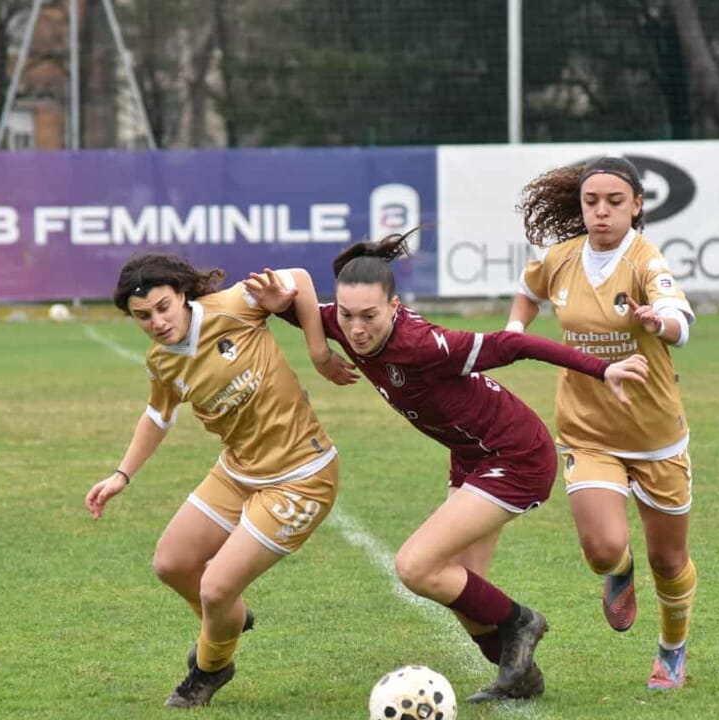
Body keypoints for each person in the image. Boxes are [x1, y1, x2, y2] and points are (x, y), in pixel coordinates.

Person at [242, 232, 649, 703]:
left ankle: (523, 622)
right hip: (472, 455)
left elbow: (514, 345)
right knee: (460, 592)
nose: (355, 329)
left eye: (369, 316)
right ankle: (520, 675)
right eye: (347, 315)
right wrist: (311, 343)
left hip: (515, 454)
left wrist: (603, 369)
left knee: (415, 566)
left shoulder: (423, 344)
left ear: (394, 306)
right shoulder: (344, 321)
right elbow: (301, 301)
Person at [84, 253, 347, 709]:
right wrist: (121, 475)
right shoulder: (161, 361)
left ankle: (210, 667)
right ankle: (226, 621)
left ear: (181, 294)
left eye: (163, 307)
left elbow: (302, 278)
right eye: (143, 316)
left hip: (301, 477)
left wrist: (319, 352)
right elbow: (158, 415)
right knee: (171, 563)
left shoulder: (233, 305)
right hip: (238, 471)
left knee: (216, 589)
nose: (157, 322)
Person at [507, 156, 699, 690]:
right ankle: (619, 571)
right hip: (587, 431)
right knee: (602, 550)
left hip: (655, 435)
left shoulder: (644, 259)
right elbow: (528, 291)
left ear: (637, 206)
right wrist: (513, 332)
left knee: (669, 560)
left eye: (615, 202)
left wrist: (658, 322)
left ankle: (672, 649)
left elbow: (680, 322)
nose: (602, 212)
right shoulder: (561, 258)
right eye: (592, 202)